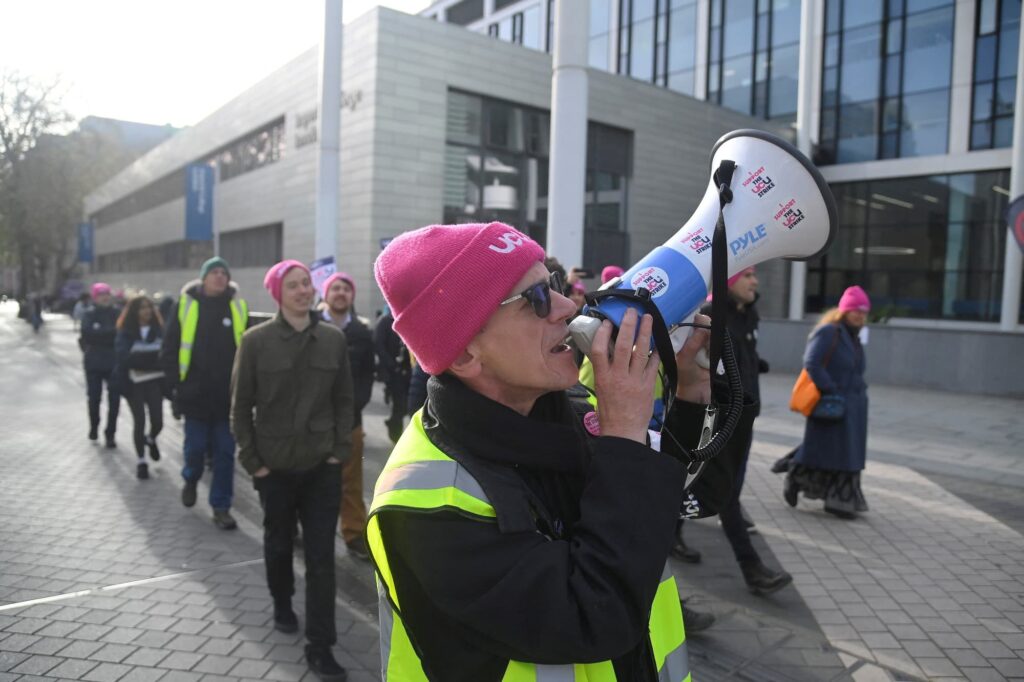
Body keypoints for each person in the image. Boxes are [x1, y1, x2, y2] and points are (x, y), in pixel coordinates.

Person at [366, 222, 716, 681]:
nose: (568, 306)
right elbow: (591, 617)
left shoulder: (572, 410)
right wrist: (625, 438)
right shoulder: (422, 505)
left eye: (551, 283)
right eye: (535, 300)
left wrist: (690, 396)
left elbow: (690, 501)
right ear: (467, 355)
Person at [231, 260, 353, 682]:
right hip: (275, 469)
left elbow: (345, 401)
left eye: (306, 283)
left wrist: (339, 450)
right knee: (279, 544)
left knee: (322, 558)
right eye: (294, 285)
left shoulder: (333, 340)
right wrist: (254, 463)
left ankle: (321, 647)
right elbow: (240, 407)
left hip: (322, 467)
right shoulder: (255, 342)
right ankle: (281, 600)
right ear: (277, 294)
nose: (303, 290)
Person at [689, 267, 792, 595]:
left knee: (707, 489)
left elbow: (741, 354)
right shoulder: (710, 316)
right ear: (730, 281)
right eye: (747, 275)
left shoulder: (749, 314)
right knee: (727, 493)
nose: (755, 281)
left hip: (746, 416)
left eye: (756, 275)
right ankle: (752, 568)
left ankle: (673, 533)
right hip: (722, 420)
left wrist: (754, 365)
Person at [161, 256, 249, 530]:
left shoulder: (237, 307)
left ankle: (221, 507)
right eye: (214, 272)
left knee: (224, 454)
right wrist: (173, 387)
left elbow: (247, 352)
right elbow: (170, 347)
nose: (220, 277)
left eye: (224, 272)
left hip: (226, 398)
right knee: (196, 448)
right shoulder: (185, 305)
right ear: (204, 277)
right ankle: (190, 477)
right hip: (193, 395)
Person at [784, 285, 871, 519]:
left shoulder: (854, 337)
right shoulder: (829, 332)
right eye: (856, 311)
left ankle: (839, 500)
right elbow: (811, 362)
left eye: (864, 312)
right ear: (844, 310)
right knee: (823, 450)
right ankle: (796, 475)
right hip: (831, 403)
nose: (860, 316)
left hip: (853, 406)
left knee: (845, 453)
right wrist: (830, 389)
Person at [320, 271, 375, 560]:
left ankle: (354, 534)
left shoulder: (362, 333)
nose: (340, 293)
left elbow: (367, 374)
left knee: (351, 481)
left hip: (350, 420)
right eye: (335, 288)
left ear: (351, 296)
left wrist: (357, 403)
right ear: (326, 295)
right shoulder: (311, 326)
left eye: (346, 289)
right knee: (313, 480)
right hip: (314, 422)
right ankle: (311, 529)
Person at [114, 295, 165, 480]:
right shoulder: (125, 331)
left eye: (149, 307)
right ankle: (141, 461)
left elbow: (164, 356)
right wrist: (149, 359)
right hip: (133, 384)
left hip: (154, 382)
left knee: (158, 421)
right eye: (143, 308)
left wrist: (143, 360)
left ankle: (151, 439)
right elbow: (124, 358)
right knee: (139, 421)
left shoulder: (159, 330)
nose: (147, 311)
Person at [80, 283, 121, 448]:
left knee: (115, 400)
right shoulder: (89, 314)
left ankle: (110, 433)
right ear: (95, 297)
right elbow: (88, 334)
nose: (105, 297)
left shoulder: (117, 313)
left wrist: (102, 333)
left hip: (114, 362)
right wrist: (109, 333)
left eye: (107, 294)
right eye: (101, 295)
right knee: (94, 398)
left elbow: (121, 334)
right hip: (94, 363)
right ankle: (94, 426)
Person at [373, 306, 410, 444]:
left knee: (407, 404)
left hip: (408, 371)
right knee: (399, 405)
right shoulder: (385, 321)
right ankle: (396, 435)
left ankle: (394, 425)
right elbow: (379, 344)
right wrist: (391, 364)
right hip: (394, 373)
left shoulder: (408, 319)